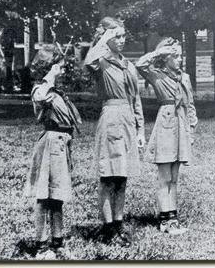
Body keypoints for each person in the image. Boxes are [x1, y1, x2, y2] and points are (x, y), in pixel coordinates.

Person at [83, 17, 145, 245]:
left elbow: (136, 99)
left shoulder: (128, 66)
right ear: (106, 38)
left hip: (127, 120)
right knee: (108, 178)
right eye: (115, 36)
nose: (121, 40)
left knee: (122, 177)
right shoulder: (101, 63)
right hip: (110, 119)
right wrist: (103, 39)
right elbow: (87, 61)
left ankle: (119, 224)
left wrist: (140, 130)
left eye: (122, 36)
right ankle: (108, 228)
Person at [135, 38, 198, 235]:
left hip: (180, 126)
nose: (179, 60)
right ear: (165, 58)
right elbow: (140, 64)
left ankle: (173, 218)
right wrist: (159, 52)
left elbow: (190, 105)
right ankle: (165, 220)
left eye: (180, 56)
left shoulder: (185, 78)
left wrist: (191, 129)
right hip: (166, 125)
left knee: (175, 178)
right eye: (175, 56)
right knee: (165, 176)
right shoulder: (157, 75)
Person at [26, 44, 82, 257]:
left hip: (61, 143)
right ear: (48, 67)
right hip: (51, 143)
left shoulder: (55, 91)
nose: (62, 69)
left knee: (56, 196)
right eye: (57, 65)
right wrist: (50, 76)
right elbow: (39, 98)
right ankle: (41, 247)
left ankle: (57, 242)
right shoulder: (41, 88)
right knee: (44, 195)